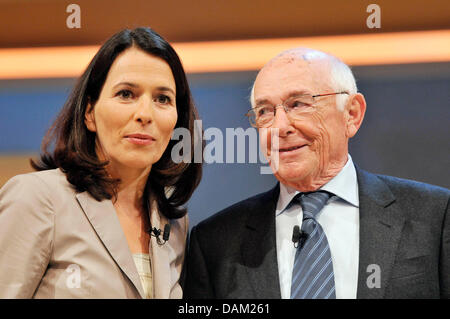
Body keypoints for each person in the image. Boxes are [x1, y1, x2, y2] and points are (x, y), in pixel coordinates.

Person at [184, 47, 449, 299]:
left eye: (298, 104)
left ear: (352, 114)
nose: (279, 127)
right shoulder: (215, 242)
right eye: (265, 111)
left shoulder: (434, 216)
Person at [0, 27, 202, 298]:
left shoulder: (175, 224)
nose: (145, 113)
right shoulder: (37, 198)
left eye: (162, 99)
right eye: (126, 94)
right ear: (89, 113)